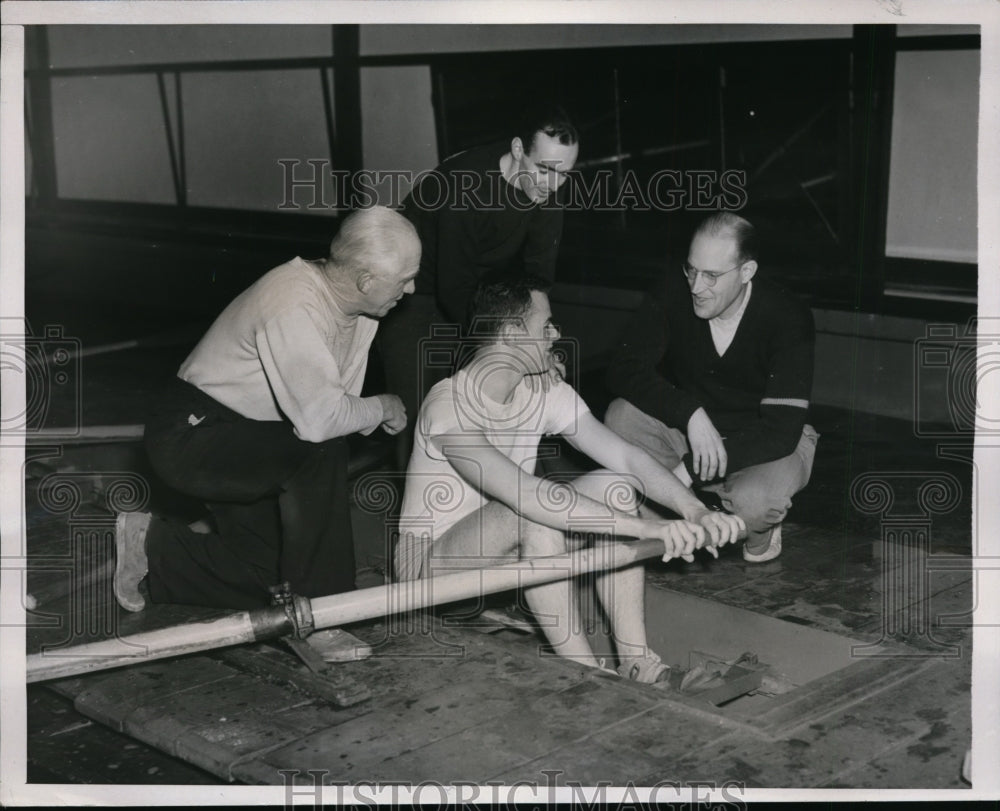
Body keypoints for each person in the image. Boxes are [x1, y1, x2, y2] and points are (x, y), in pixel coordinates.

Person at [395, 274, 744, 682]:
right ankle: (588, 677)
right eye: (545, 326)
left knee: (616, 486)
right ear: (511, 335)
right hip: (430, 575)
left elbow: (628, 458)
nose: (556, 334)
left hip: (506, 559)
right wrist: (649, 527)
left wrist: (695, 511)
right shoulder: (449, 404)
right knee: (531, 511)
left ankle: (638, 663)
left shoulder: (543, 391)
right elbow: (526, 496)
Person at [113, 207, 421, 631]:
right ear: (367, 281)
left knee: (274, 577)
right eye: (405, 279)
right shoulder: (292, 301)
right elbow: (318, 422)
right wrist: (382, 407)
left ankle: (154, 545)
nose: (411, 288)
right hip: (193, 435)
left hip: (250, 437)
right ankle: (324, 617)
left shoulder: (362, 313)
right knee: (320, 449)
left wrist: (362, 414)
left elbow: (337, 402)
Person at [604, 212, 818, 563]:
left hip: (765, 444)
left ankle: (758, 526)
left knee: (755, 505)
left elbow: (780, 431)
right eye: (691, 269)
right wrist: (689, 413)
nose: (695, 286)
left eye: (712, 276)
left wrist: (686, 471)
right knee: (621, 416)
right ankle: (675, 517)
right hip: (696, 435)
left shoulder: (787, 316)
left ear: (747, 272)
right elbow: (622, 370)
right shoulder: (673, 291)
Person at [379, 104, 580, 465]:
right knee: (419, 416)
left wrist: (542, 349)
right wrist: (503, 346)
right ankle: (411, 520)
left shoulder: (550, 187)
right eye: (546, 170)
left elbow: (538, 280)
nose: (553, 184)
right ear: (518, 150)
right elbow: (452, 287)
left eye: (565, 174)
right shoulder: (463, 184)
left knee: (486, 405)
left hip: (474, 292)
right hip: (411, 295)